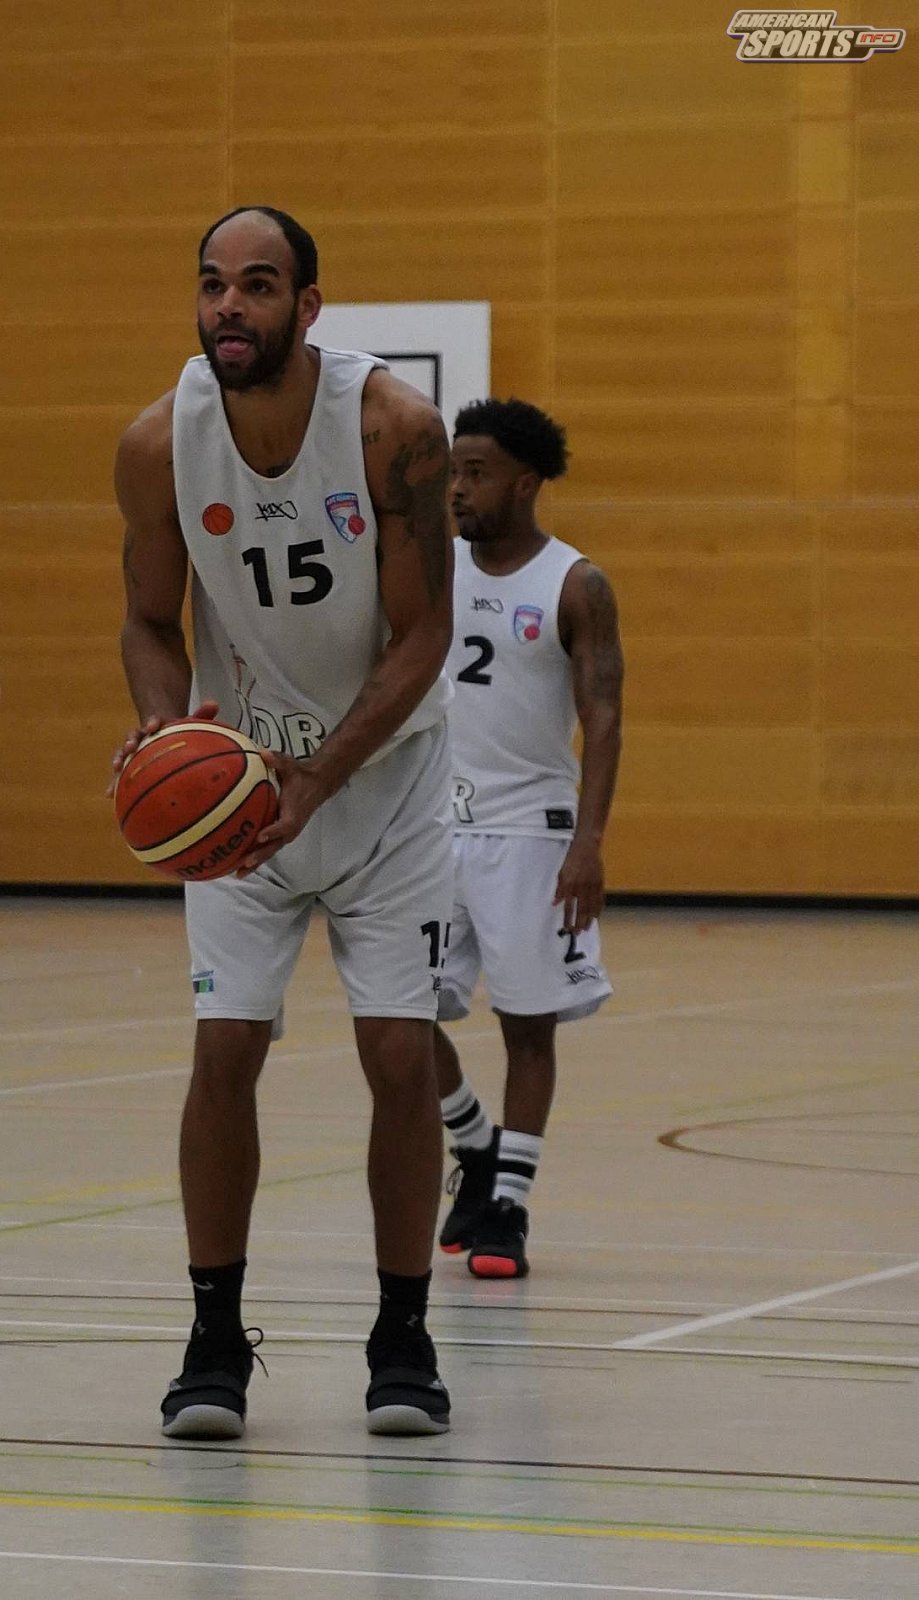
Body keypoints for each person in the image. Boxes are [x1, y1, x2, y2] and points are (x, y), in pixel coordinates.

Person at [113, 206, 457, 1441]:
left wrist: (319, 776)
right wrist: (166, 731)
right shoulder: (158, 443)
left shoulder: (395, 432)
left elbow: (425, 633)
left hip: (385, 782)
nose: (228, 305)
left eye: (257, 285)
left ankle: (402, 1332)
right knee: (223, 1051)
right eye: (212, 283)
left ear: (307, 306)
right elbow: (148, 622)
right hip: (243, 784)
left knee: (400, 1055)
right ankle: (213, 1334)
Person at [432, 398, 624, 1281]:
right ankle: (473, 1143)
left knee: (526, 1029)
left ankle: (507, 1206)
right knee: (397, 1013)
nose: (457, 488)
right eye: (452, 471)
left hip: (529, 832)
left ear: (524, 482)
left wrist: (588, 843)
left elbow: (604, 718)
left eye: (474, 473)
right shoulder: (427, 565)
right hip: (428, 826)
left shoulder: (575, 584)